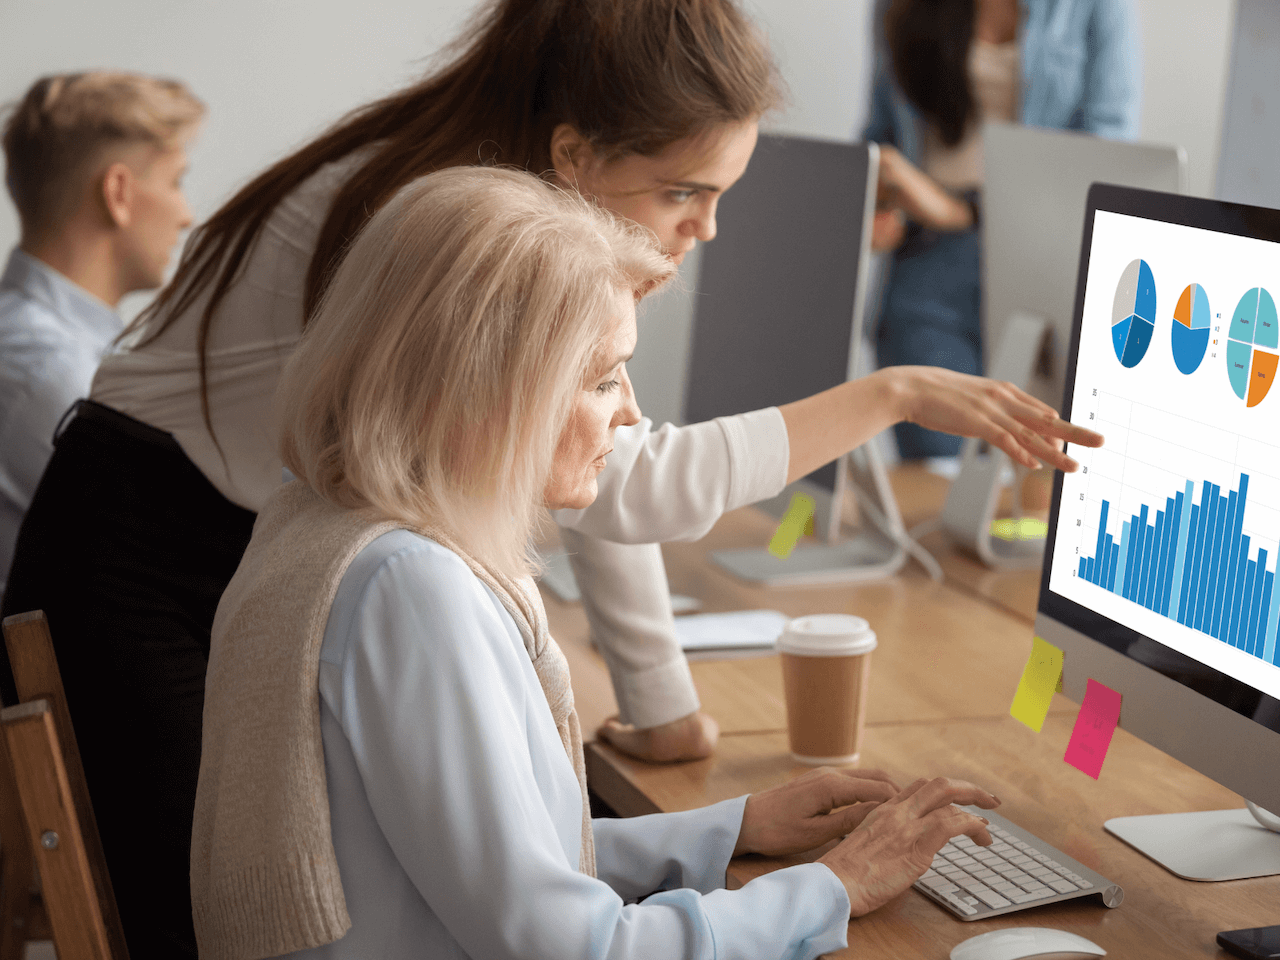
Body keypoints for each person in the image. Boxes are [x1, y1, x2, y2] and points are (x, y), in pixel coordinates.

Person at [2, 2, 1100, 954]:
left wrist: (722, 813)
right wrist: (830, 886)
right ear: (574, 155)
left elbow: (500, 852)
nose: (704, 229)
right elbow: (558, 937)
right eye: (683, 190)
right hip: (139, 548)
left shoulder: (407, 472)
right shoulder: (447, 305)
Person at [193, 164, 1008, 959]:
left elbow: (501, 867)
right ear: (487, 391)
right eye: (601, 379)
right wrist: (835, 885)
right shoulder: (411, 589)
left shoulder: (321, 521)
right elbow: (572, 946)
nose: (631, 412)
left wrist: (731, 828)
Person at [864, 0, 1141, 457]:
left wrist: (961, 211)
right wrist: (878, 204)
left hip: (1041, 261)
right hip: (927, 269)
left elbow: (1106, 155)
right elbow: (880, 131)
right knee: (941, 476)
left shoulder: (1096, 8)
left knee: (1033, 479)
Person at [0, 71, 202, 601]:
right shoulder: (51, 370)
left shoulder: (61, 354)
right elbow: (171, 564)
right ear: (118, 193)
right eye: (176, 181)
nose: (187, 215)